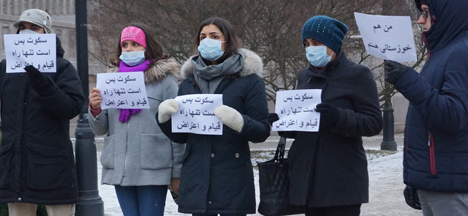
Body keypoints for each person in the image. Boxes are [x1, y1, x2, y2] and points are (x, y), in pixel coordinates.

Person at [157, 17, 271, 216]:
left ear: (228, 41)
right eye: (203, 37)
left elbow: (261, 131)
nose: (207, 41)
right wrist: (165, 119)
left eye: (214, 36)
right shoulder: (188, 82)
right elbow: (181, 136)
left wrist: (240, 122)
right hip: (197, 178)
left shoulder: (250, 81)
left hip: (231, 178)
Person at [270, 15, 383, 216]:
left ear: (333, 43)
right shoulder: (304, 76)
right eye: (307, 43)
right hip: (308, 179)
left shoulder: (358, 74)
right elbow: (305, 124)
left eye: (316, 42)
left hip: (341, 181)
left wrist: (339, 117)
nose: (310, 48)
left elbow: (374, 123)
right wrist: (286, 125)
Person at [0, 8, 85, 216]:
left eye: (34, 28)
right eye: (22, 28)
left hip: (53, 170)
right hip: (16, 169)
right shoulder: (4, 68)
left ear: (46, 33)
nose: (26, 33)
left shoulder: (63, 68)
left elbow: (70, 108)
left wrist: (41, 81)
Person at [383, 0, 468, 215]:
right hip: (437, 182)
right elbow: (426, 123)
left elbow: (454, 116)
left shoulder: (460, 54)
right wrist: (416, 179)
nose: (420, 20)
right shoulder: (441, 53)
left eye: (426, 13)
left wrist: (408, 81)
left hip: (452, 188)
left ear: (446, 14)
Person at [88, 24, 184, 216]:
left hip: (153, 169)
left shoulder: (165, 80)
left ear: (147, 47)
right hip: (119, 169)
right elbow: (101, 129)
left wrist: (177, 173)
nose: (129, 49)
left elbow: (177, 130)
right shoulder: (111, 80)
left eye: (135, 44)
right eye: (125, 45)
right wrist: (95, 108)